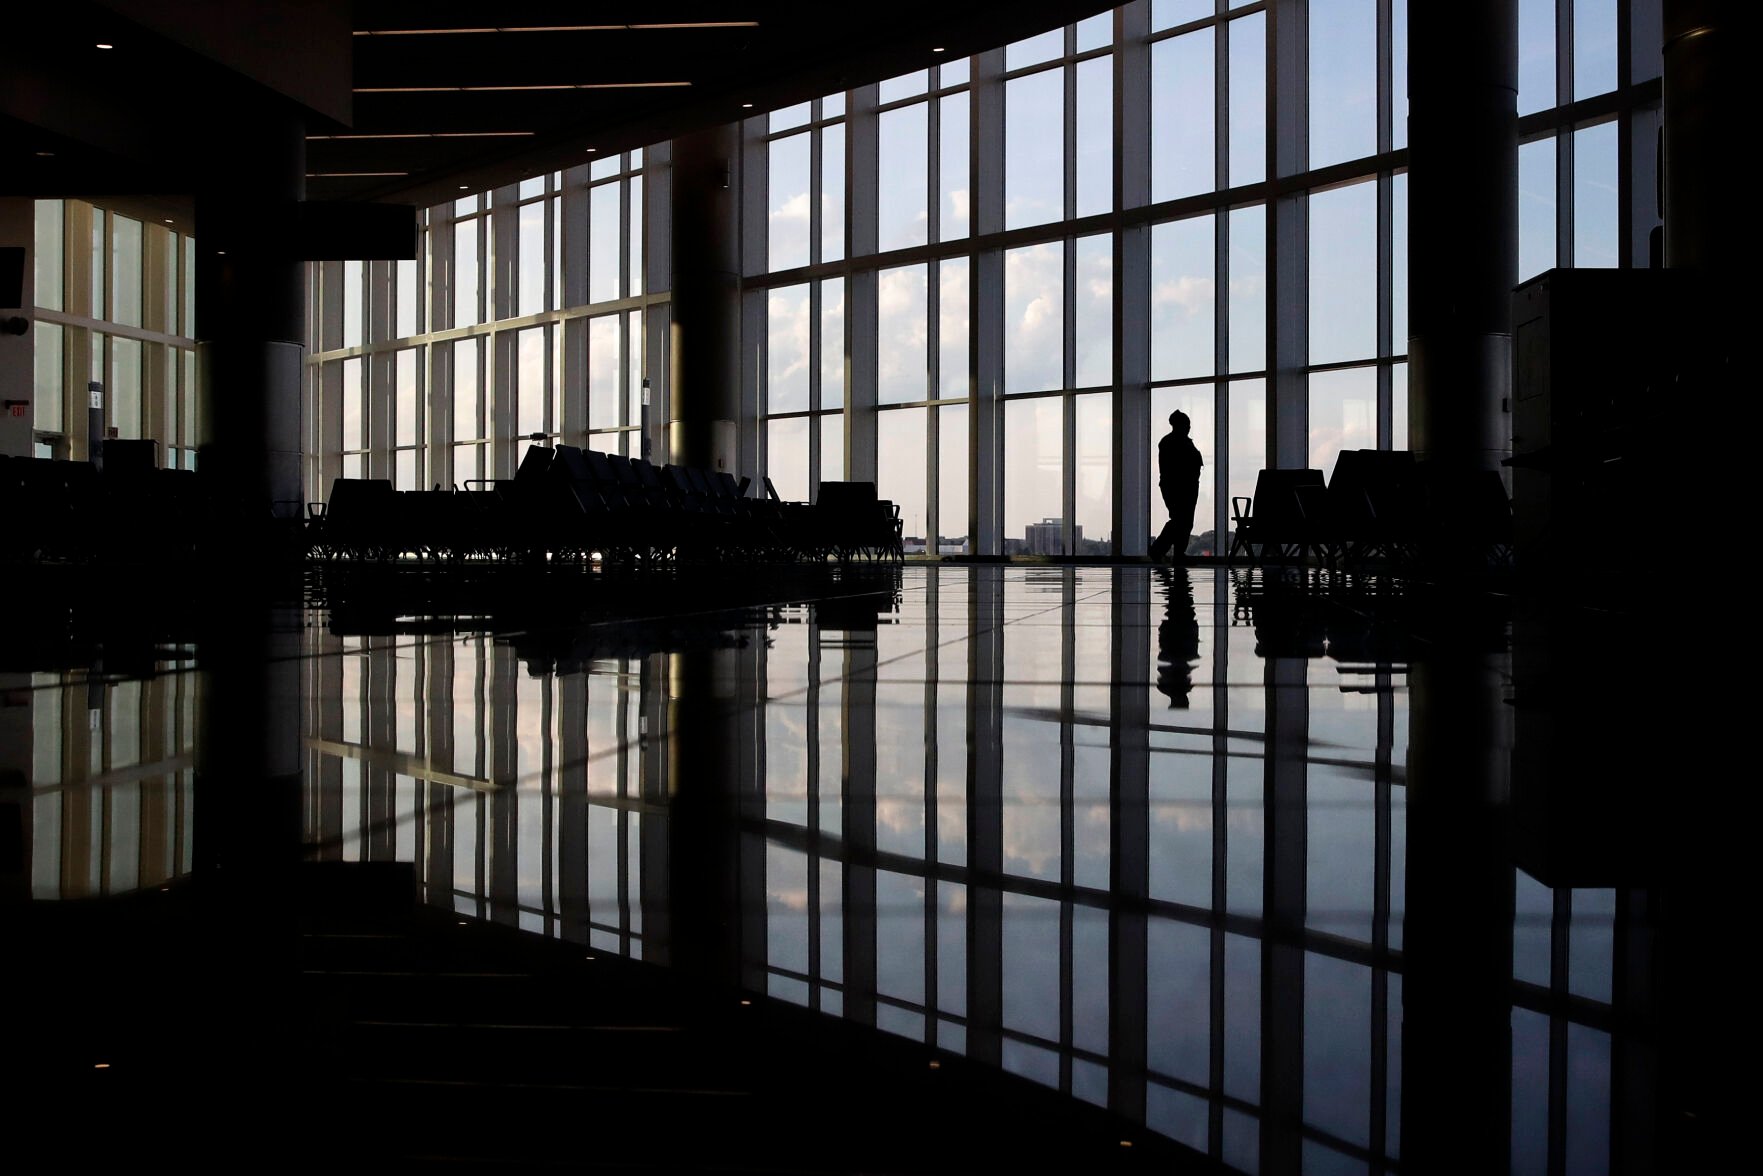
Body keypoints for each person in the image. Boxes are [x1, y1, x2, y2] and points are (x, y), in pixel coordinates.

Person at [1149, 410, 1203, 562]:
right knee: (1181, 519)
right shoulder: (1174, 442)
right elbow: (1177, 467)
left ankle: (1173, 552)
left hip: (1184, 486)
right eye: (1187, 424)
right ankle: (1161, 549)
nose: (1189, 427)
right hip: (1179, 487)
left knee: (1182, 520)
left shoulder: (1174, 441)